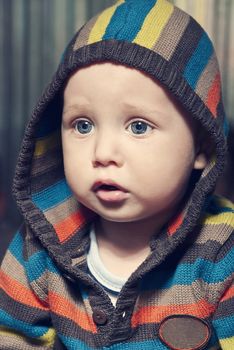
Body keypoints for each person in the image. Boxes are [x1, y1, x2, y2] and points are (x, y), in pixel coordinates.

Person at [0, 0, 233, 349]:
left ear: (201, 146)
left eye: (138, 126)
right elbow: (13, 337)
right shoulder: (39, 246)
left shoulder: (221, 251)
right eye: (83, 125)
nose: (103, 153)